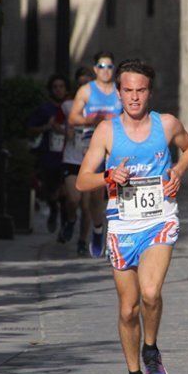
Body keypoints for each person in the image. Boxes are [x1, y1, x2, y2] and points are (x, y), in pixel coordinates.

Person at [76, 59, 188, 374]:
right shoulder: (107, 131)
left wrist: (177, 169)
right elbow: (83, 179)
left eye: (140, 90)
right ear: (118, 93)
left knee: (150, 292)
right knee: (128, 309)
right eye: (127, 90)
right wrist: (108, 177)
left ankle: (151, 348)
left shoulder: (167, 124)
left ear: (150, 91)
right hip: (122, 223)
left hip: (159, 218)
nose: (134, 97)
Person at [68, 51, 124, 258]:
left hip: (117, 147)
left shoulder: (120, 91)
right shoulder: (86, 90)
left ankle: (115, 240)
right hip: (91, 145)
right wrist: (92, 120)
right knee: (93, 196)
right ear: (95, 69)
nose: (106, 71)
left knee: (118, 193)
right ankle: (98, 228)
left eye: (109, 67)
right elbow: (73, 117)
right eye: (101, 66)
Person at [58, 67, 95, 250]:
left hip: (90, 161)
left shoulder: (100, 109)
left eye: (87, 84)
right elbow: (58, 127)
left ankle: (82, 241)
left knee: (86, 206)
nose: (83, 87)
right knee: (73, 199)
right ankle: (71, 220)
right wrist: (67, 131)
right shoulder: (68, 106)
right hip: (72, 158)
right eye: (80, 84)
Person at [27, 74, 69, 233]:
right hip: (49, 154)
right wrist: (47, 127)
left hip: (67, 154)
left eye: (61, 87)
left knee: (66, 189)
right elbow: (31, 128)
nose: (58, 90)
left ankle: (66, 219)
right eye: (55, 87)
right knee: (51, 189)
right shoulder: (45, 109)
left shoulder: (72, 107)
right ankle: (54, 210)